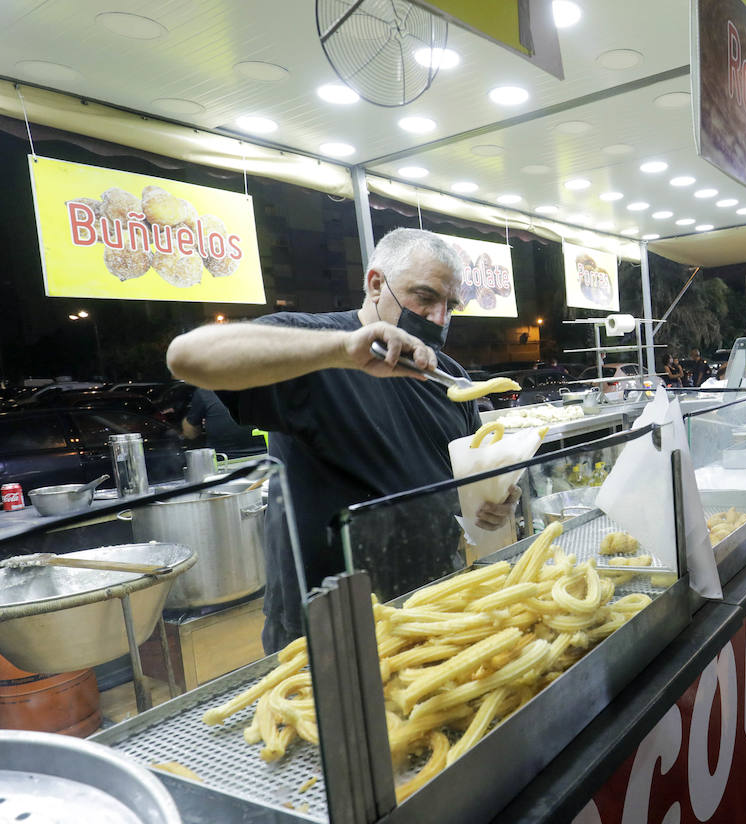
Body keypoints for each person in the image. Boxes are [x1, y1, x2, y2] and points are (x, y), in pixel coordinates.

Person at [166, 228, 515, 652]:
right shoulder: (316, 346)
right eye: (424, 297)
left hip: (428, 609)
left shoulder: (450, 378)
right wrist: (342, 350)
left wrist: (495, 500)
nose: (439, 318)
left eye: (450, 305)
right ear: (374, 284)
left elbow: (468, 484)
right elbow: (186, 357)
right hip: (326, 624)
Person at [180, 387, 262, 457]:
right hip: (265, 456)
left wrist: (186, 418)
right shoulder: (259, 382)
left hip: (223, 461)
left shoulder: (205, 390)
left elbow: (190, 433)